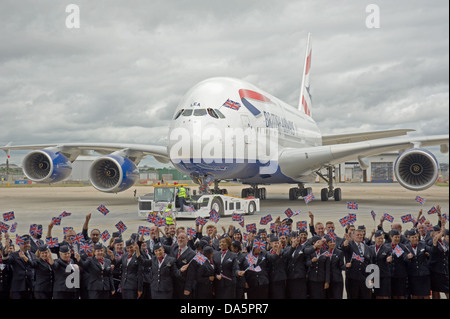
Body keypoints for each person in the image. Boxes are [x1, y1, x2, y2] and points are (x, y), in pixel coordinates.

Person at [342, 228, 373, 299]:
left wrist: (371, 278)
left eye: (361, 235)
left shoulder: (367, 248)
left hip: (364, 278)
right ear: (353, 236)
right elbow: (344, 248)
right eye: (357, 235)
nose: (359, 236)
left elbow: (370, 263)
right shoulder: (350, 244)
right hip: (353, 278)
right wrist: (347, 240)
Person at [405, 229, 432, 299]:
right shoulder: (406, 247)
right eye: (413, 237)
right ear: (409, 238)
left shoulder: (423, 244)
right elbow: (402, 258)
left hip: (424, 274)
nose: (415, 239)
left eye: (416, 237)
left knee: (426, 294)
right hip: (413, 274)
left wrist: (428, 255)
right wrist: (407, 257)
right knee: (415, 295)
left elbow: (432, 251)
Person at [7, 235, 36, 299]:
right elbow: (6, 260)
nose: (26, 245)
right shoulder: (14, 255)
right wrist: (5, 251)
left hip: (30, 286)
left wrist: (25, 258)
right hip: (18, 287)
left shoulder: (33, 255)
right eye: (24, 243)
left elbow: (34, 265)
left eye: (28, 243)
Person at [285, 230, 308, 299]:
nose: (297, 239)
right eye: (295, 237)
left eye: (298, 237)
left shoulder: (303, 247)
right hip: (291, 276)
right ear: (291, 239)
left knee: (301, 295)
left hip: (300, 276)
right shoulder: (287, 248)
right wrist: (292, 247)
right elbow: (287, 257)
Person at [387, 229, 409, 299]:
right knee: (393, 295)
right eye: (395, 237)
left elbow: (405, 257)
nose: (397, 239)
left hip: (400, 275)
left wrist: (408, 257)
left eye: (398, 237)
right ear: (391, 237)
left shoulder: (402, 247)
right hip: (390, 275)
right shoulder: (386, 246)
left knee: (401, 294)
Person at [370, 230, 392, 299]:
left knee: (385, 295)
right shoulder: (370, 248)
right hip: (374, 276)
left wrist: (389, 260)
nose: (381, 240)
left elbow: (390, 257)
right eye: (379, 238)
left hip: (384, 276)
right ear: (375, 238)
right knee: (376, 295)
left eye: (382, 238)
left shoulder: (387, 248)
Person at [429, 223, 449, 299]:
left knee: (447, 289)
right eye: (438, 232)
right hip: (436, 269)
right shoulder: (433, 241)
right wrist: (442, 231)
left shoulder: (443, 242)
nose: (440, 233)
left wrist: (443, 225)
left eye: (440, 232)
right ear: (433, 233)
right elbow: (435, 240)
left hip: (443, 269)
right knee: (435, 290)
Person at [267, 234, 287, 299]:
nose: (277, 245)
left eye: (278, 243)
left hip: (280, 279)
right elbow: (272, 259)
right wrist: (277, 251)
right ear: (271, 245)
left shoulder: (283, 252)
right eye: (275, 243)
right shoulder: (268, 253)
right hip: (271, 279)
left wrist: (279, 251)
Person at [325, 233, 345, 299]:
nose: (332, 243)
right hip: (327, 280)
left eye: (334, 241)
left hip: (337, 279)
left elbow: (341, 265)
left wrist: (347, 267)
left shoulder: (339, 252)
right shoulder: (324, 253)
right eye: (330, 242)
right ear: (327, 243)